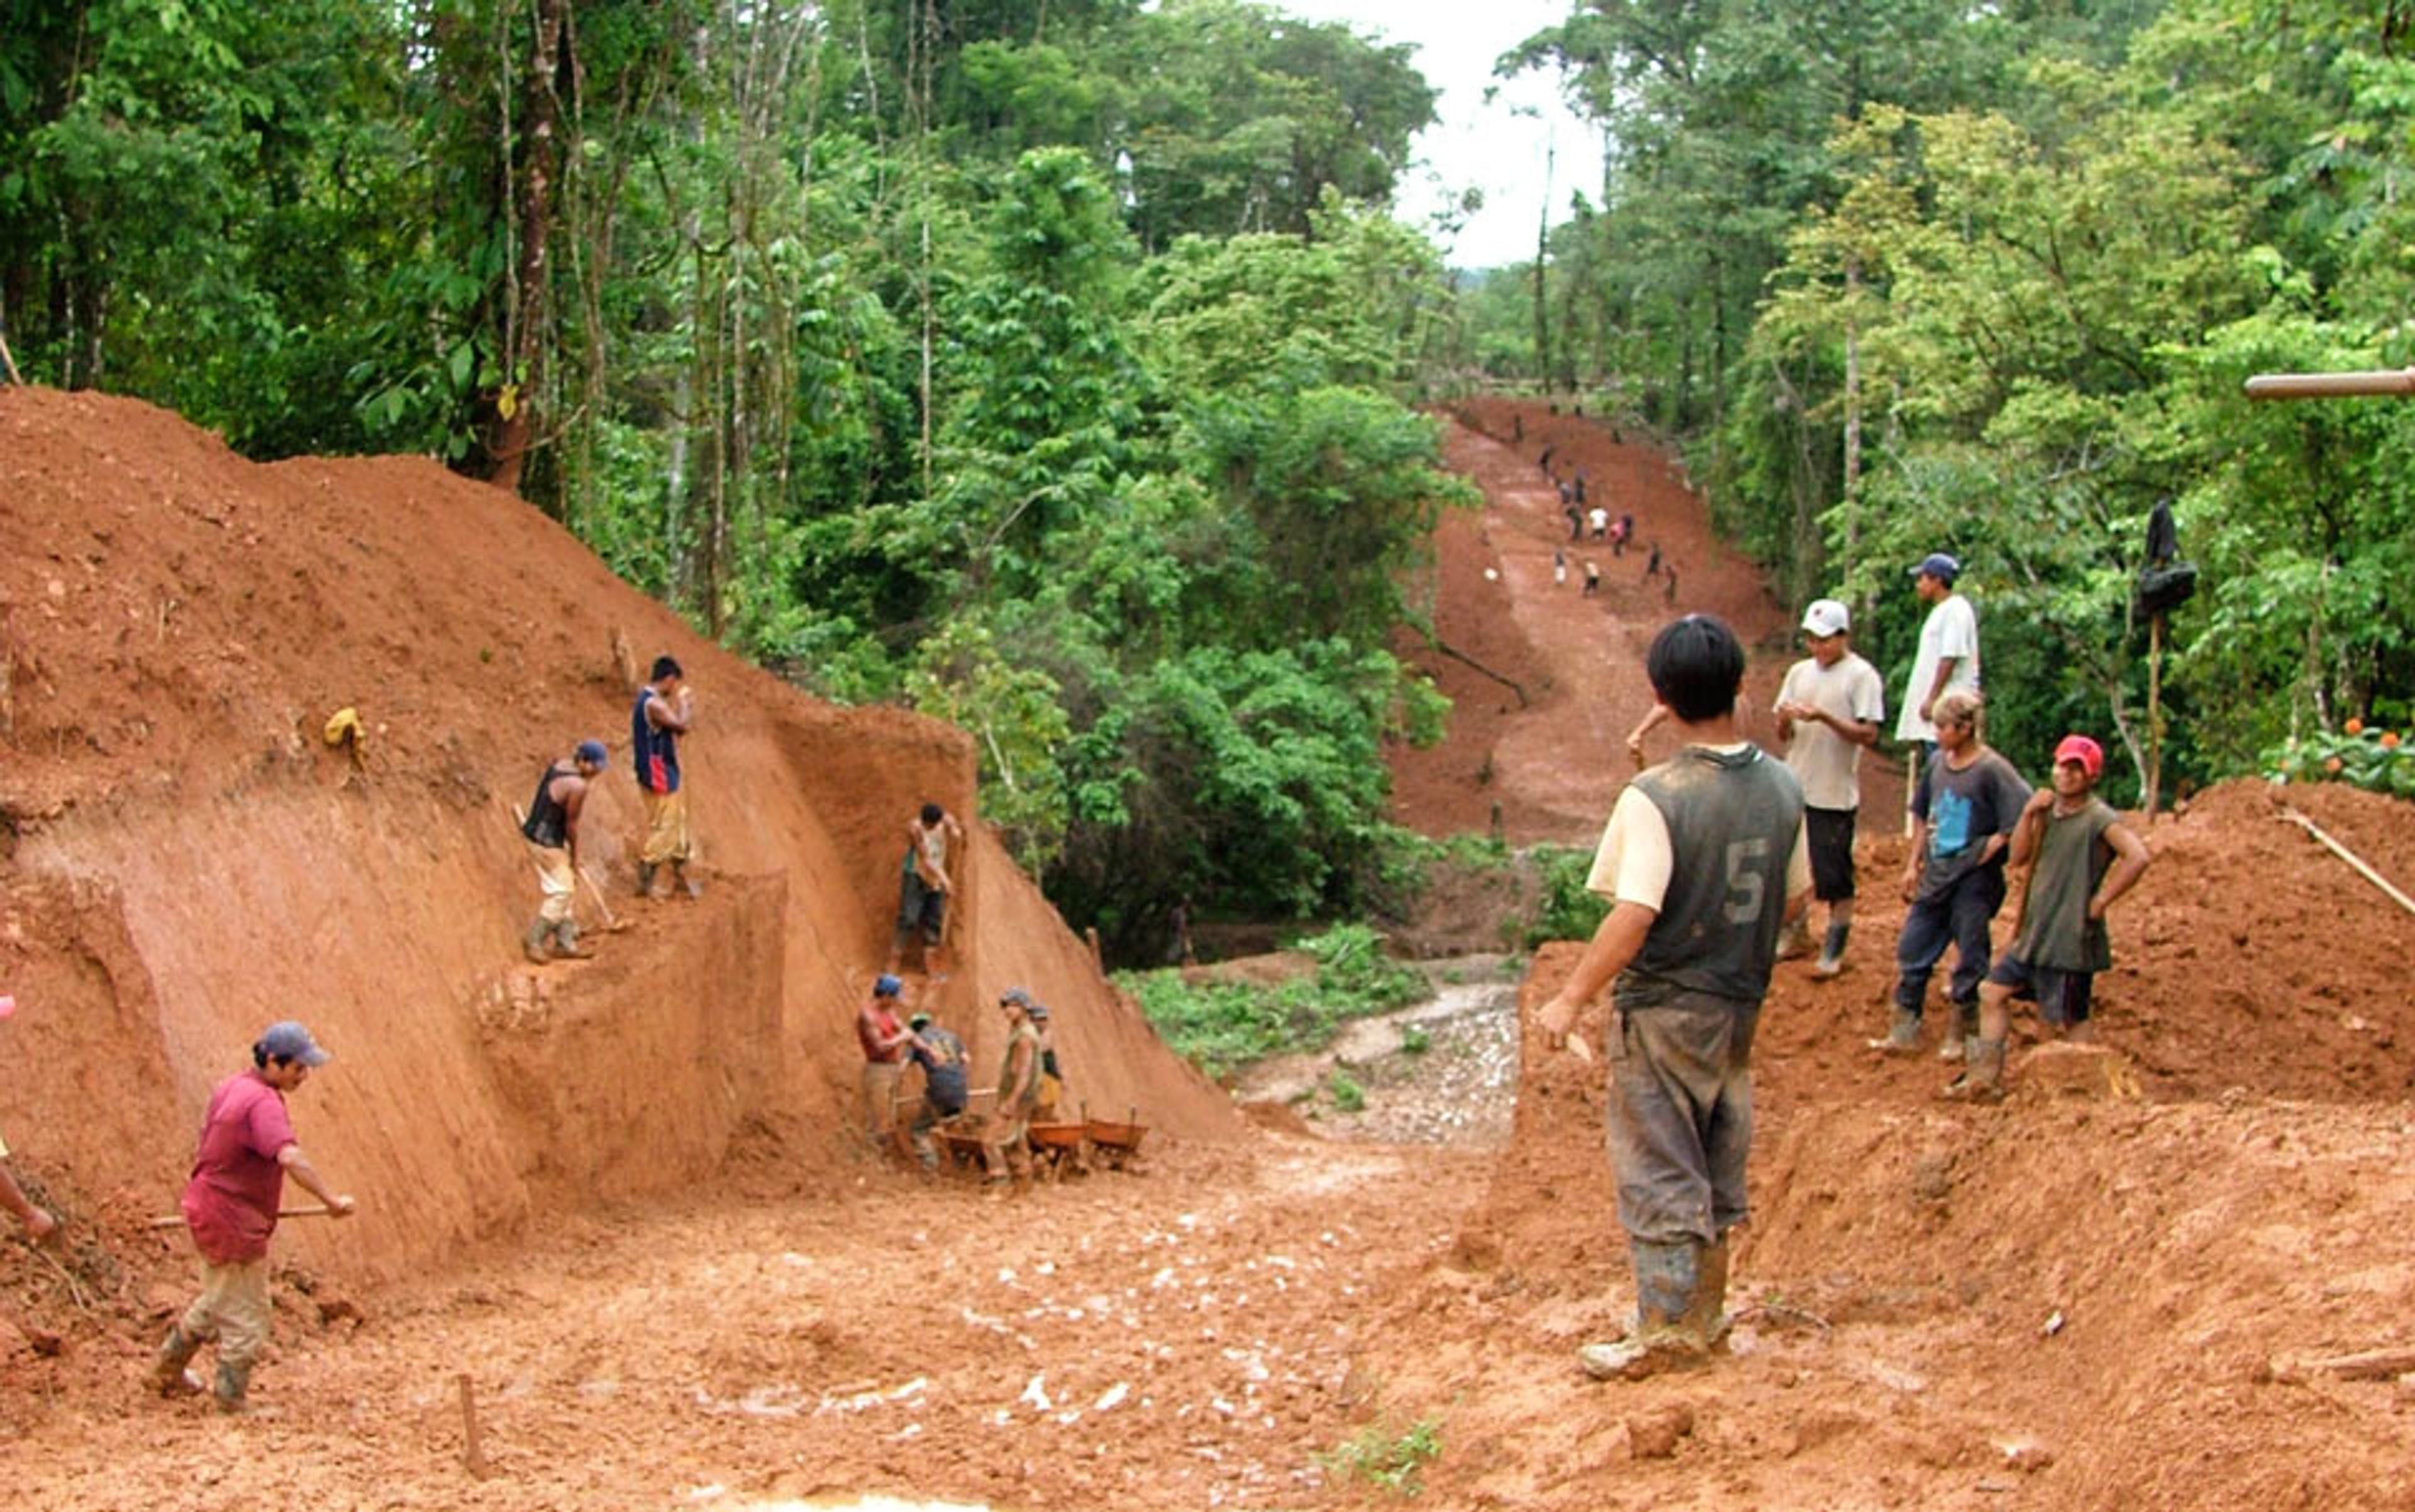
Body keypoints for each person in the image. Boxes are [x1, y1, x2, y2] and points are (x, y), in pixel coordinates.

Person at [1535, 614, 1810, 1380]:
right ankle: (1705, 1315)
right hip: (1740, 1004)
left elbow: (1635, 910)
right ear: (1742, 689)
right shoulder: (1785, 787)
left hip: (1663, 1007)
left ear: (1661, 697)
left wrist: (1571, 998)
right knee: (1718, 1153)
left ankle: (1665, 1328)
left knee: (1658, 1157)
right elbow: (1798, 899)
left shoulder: (1656, 795)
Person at [152, 1023, 355, 1411]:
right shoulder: (263, 1103)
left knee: (220, 1296)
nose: (304, 1076)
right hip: (231, 1218)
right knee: (248, 1312)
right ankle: (230, 1399)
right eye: (298, 1068)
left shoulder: (233, 1088)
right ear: (274, 1062)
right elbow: (290, 1156)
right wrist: (330, 1200)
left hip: (212, 1207)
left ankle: (167, 1369)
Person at [1950, 735, 2151, 1099]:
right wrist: (2027, 814)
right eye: (2063, 766)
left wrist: (2102, 900)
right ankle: (1983, 1079)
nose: (2067, 775)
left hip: (2070, 936)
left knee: (2070, 1017)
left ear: (2091, 777)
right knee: (1992, 991)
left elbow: (2138, 856)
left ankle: (2088, 1090)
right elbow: (2018, 858)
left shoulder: (2098, 818)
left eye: (2077, 770)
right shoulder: (2046, 813)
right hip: (2036, 932)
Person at [1879, 689, 2031, 1059]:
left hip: (1974, 879)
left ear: (1964, 728)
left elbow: (2022, 812)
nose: (1938, 735)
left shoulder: (1992, 770)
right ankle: (1905, 1028)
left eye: (1944, 728)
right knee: (1913, 947)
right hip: (1937, 869)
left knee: (1971, 953)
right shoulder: (1938, 766)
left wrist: (1992, 847)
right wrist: (1913, 862)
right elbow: (1922, 812)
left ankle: (1962, 1031)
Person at [1773, 599, 1886, 978]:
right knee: (1789, 866)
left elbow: (1869, 733)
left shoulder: (1861, 676)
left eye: (1824, 640)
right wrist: (1787, 720)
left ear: (1842, 637)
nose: (1817, 648)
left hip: (1833, 792)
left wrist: (1824, 717)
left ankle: (1835, 948)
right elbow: (1781, 732)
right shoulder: (1799, 673)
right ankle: (1795, 933)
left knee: (1833, 873)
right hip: (1796, 782)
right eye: (1811, 640)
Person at [1892, 552, 1982, 794]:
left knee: (1946, 764)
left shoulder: (1956, 609)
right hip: (1942, 709)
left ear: (1936, 580)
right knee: (1936, 765)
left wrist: (1933, 698)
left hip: (1948, 707)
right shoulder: (1943, 611)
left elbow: (1950, 655)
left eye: (1922, 579)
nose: (1918, 585)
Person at [519, 738, 609, 963]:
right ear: (585, 762)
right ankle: (534, 940)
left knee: (566, 885)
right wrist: (575, 856)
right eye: (596, 767)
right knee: (563, 891)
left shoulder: (560, 766)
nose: (597, 772)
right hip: (546, 842)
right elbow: (572, 824)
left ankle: (565, 941)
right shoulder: (578, 786)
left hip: (537, 834)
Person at [632, 655, 699, 898]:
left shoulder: (649, 701)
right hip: (657, 767)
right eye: (675, 683)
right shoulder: (655, 704)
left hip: (656, 765)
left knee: (677, 817)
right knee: (667, 822)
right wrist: (685, 705)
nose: (675, 689)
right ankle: (647, 872)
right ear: (669, 679)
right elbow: (682, 727)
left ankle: (679, 867)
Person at [889, 802, 968, 980]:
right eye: (927, 825)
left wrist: (956, 832)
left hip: (936, 878)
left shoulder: (944, 821)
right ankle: (894, 961)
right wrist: (946, 881)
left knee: (934, 919)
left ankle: (931, 966)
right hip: (916, 874)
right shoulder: (915, 829)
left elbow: (952, 823)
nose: (929, 828)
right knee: (909, 917)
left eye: (932, 825)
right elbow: (925, 860)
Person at [982, 989, 1045, 1188]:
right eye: (1006, 1006)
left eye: (1013, 1005)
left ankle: (1000, 1183)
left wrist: (1011, 1101)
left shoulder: (1024, 1036)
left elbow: (1023, 1072)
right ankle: (1025, 1182)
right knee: (1017, 1138)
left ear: (1024, 1008)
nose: (1008, 1010)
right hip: (1021, 1095)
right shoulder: (1021, 1030)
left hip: (1017, 1095)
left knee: (990, 1140)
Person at [903, 1011, 969, 1170]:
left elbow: (903, 1066)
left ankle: (930, 1166)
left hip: (940, 1090)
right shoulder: (952, 1036)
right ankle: (961, 1163)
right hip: (961, 1089)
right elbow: (967, 1059)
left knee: (919, 1129)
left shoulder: (917, 1040)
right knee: (954, 1126)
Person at [857, 975, 916, 1150]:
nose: (896, 1003)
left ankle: (884, 1155)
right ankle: (873, 1156)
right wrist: (901, 1038)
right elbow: (880, 1046)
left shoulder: (890, 1013)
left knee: (889, 1116)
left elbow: (907, 1032)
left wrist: (930, 1051)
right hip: (878, 1069)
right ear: (886, 996)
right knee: (879, 1113)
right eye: (894, 999)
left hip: (892, 1068)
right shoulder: (868, 1015)